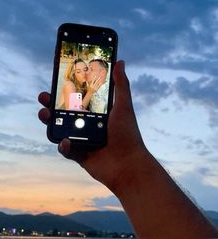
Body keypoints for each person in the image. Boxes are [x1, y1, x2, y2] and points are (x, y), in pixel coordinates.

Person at [38, 60, 218, 239]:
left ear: (104, 73)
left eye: (88, 69)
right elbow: (76, 110)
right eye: (81, 70)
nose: (85, 74)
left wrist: (128, 164)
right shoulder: (75, 87)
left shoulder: (95, 93)